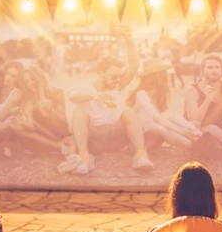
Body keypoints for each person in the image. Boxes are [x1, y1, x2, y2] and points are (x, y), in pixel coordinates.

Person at [60, 26, 153, 175]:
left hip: (116, 138)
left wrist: (129, 39)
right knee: (79, 113)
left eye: (119, 76)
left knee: (128, 111)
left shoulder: (118, 85)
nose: (117, 80)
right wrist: (93, 96)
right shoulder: (86, 86)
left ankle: (141, 156)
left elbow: (134, 65)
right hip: (94, 140)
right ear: (101, 73)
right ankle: (85, 158)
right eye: (113, 76)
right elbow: (72, 97)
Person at [126, 59, 202, 149]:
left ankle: (200, 136)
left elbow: (166, 116)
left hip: (154, 133)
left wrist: (188, 129)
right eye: (163, 73)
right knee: (161, 127)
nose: (166, 75)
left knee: (173, 117)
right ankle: (197, 144)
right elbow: (156, 117)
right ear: (156, 76)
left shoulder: (160, 93)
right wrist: (180, 130)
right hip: (141, 135)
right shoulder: (141, 94)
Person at [7, 65, 72, 154]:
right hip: (47, 136)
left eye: (32, 79)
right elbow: (31, 127)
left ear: (40, 79)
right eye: (27, 81)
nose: (30, 83)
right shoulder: (29, 103)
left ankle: (53, 146)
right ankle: (58, 146)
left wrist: (51, 110)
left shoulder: (57, 93)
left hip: (61, 133)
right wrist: (21, 122)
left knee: (29, 146)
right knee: (16, 128)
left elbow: (64, 123)